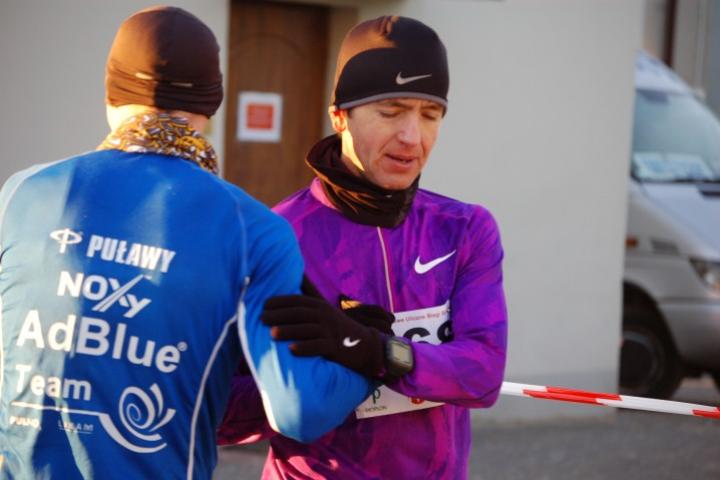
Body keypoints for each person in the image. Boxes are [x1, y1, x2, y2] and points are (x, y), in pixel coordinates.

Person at [0, 6, 371, 479]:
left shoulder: (22, 193)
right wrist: (366, 357)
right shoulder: (253, 229)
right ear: (211, 107)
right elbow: (298, 411)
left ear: (111, 93)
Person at [220, 15, 508, 479]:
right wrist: (312, 378)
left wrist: (377, 352)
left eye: (430, 115)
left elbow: (483, 373)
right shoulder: (275, 238)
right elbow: (220, 413)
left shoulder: (465, 229)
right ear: (340, 117)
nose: (412, 137)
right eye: (391, 112)